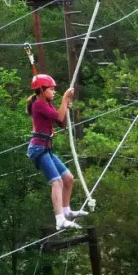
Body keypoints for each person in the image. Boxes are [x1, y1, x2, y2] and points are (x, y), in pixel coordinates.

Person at [27, 74, 86, 230]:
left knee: (68, 178)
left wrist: (65, 107)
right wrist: (65, 99)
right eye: (51, 89)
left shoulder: (48, 105)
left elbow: (62, 122)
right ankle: (59, 219)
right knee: (57, 182)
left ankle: (66, 211)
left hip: (47, 148)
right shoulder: (39, 105)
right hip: (38, 149)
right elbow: (59, 116)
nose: (54, 92)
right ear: (41, 90)